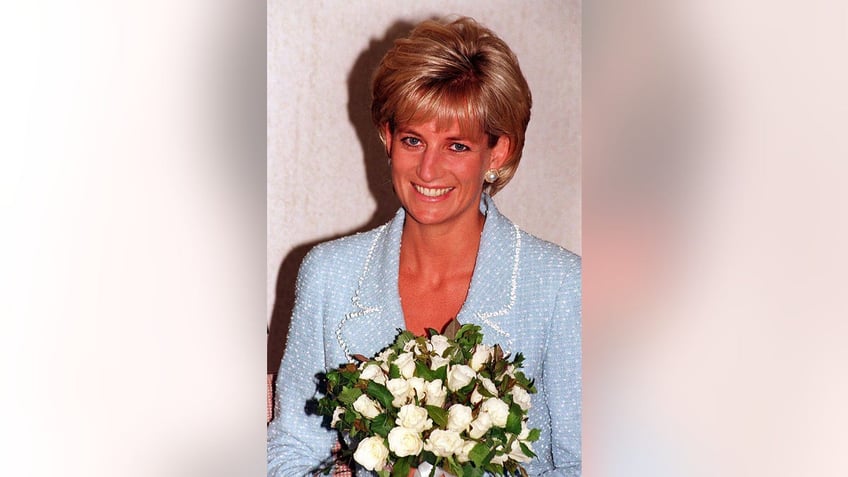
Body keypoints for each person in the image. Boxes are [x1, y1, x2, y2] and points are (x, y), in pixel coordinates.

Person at [268, 16, 581, 476]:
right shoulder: (328, 275)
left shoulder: (560, 287)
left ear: (497, 153)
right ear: (388, 137)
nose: (428, 170)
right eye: (414, 140)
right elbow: (289, 451)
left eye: (457, 146)